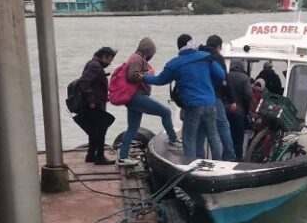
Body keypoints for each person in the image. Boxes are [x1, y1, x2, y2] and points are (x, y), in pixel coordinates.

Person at [144, 34, 224, 160]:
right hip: (209, 102)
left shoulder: (174, 64)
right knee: (213, 136)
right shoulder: (206, 57)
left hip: (192, 105)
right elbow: (221, 75)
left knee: (189, 138)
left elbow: (160, 80)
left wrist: (143, 77)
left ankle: (190, 165)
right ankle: (218, 164)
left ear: (179, 47)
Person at [117, 37, 180, 166]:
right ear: (148, 51)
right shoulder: (137, 59)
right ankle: (173, 139)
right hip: (137, 97)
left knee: (132, 128)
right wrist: (147, 74)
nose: (152, 56)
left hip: (132, 98)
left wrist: (145, 72)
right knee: (165, 112)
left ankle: (123, 157)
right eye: (152, 53)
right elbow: (132, 75)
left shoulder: (136, 58)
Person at [196, 35, 237, 161]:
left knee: (201, 127)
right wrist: (232, 100)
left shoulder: (198, 55)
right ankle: (229, 156)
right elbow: (225, 79)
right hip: (214, 97)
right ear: (218, 47)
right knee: (223, 125)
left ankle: (199, 157)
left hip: (198, 98)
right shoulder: (217, 57)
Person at [77, 46, 117, 165]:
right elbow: (83, 82)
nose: (110, 63)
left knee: (94, 130)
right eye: (109, 60)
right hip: (94, 105)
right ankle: (99, 157)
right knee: (101, 130)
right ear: (104, 57)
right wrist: (91, 101)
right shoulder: (95, 66)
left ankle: (90, 155)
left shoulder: (92, 63)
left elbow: (93, 85)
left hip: (95, 103)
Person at [225, 59, 253, 160]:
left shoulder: (226, 76)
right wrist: (248, 108)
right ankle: (238, 159)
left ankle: (225, 157)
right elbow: (248, 95)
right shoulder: (244, 78)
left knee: (226, 136)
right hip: (239, 112)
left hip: (225, 111)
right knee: (238, 138)